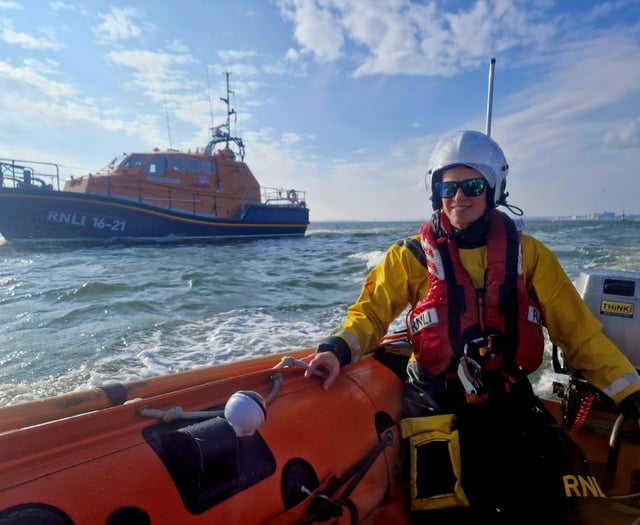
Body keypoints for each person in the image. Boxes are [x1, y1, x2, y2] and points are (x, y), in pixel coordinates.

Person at [303, 129, 640, 523]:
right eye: (448, 187)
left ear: (493, 190)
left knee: (560, 502)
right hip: (435, 404)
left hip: (507, 398)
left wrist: (629, 391)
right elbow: (369, 315)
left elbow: (578, 334)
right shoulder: (409, 257)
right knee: (445, 513)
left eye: (472, 185)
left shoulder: (529, 256)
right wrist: (336, 350)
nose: (458, 197)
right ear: (435, 192)